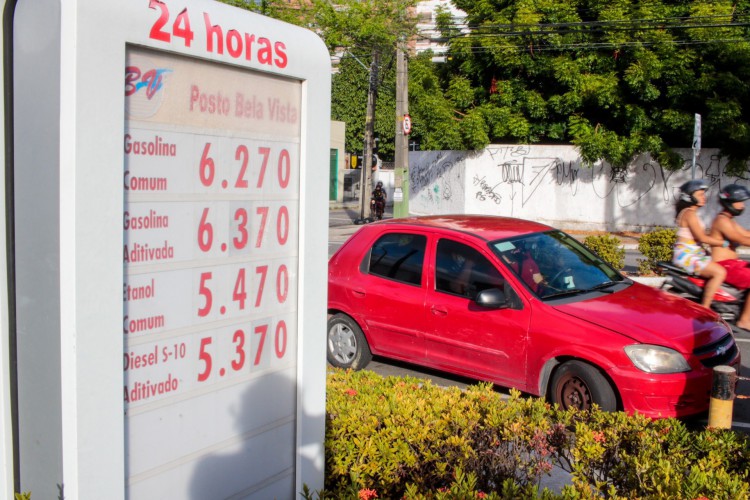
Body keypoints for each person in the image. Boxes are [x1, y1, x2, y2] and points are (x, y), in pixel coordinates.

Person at [672, 179, 728, 309]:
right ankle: (705, 308)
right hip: (687, 256)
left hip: (693, 253)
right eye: (700, 195)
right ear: (689, 197)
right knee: (719, 272)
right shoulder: (689, 213)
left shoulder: (691, 213)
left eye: (704, 194)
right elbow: (702, 238)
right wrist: (723, 243)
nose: (704, 197)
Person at [709, 183, 750, 330]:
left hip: (733, 263)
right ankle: (745, 320)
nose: (742, 205)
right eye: (740, 202)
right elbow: (740, 239)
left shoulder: (730, 220)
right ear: (730, 202)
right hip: (724, 265)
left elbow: (746, 234)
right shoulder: (722, 220)